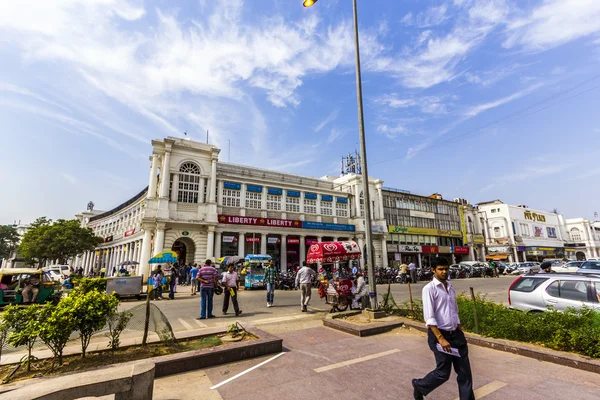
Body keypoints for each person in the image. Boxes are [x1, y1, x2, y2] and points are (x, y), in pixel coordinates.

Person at [412, 257, 475, 400]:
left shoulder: (450, 287)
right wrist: (440, 338)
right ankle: (419, 386)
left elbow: (454, 310)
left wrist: (459, 329)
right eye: (440, 269)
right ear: (433, 270)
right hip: (440, 335)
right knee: (443, 373)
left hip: (456, 335)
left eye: (446, 269)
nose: (444, 272)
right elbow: (429, 317)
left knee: (465, 373)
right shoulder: (429, 289)